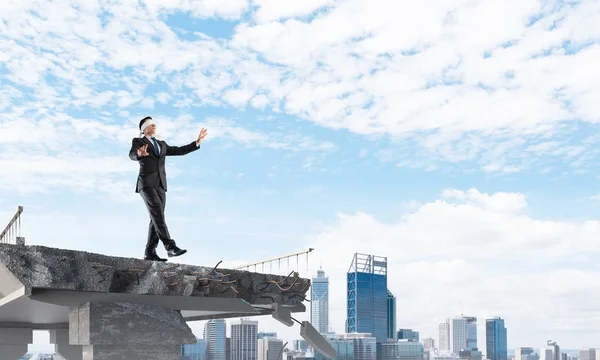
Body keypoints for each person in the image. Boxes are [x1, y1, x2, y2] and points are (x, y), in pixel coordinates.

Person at [129, 116, 208, 261]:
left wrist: (196, 142)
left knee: (156, 217)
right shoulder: (139, 141)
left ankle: (150, 252)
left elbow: (179, 150)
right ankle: (170, 246)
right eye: (150, 124)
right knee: (157, 213)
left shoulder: (161, 143)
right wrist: (139, 154)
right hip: (146, 183)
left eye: (154, 124)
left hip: (161, 185)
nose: (154, 126)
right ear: (144, 129)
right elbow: (132, 154)